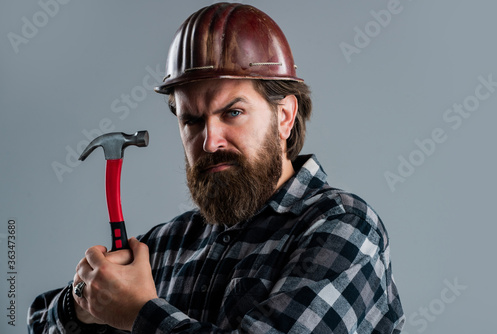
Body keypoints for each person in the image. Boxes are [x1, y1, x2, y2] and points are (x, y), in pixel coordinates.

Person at [28, 3, 405, 333]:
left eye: (233, 113)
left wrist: (138, 313)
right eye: (192, 121)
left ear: (284, 116)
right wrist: (82, 302)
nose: (210, 141)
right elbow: (41, 322)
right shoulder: (168, 244)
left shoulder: (343, 228)